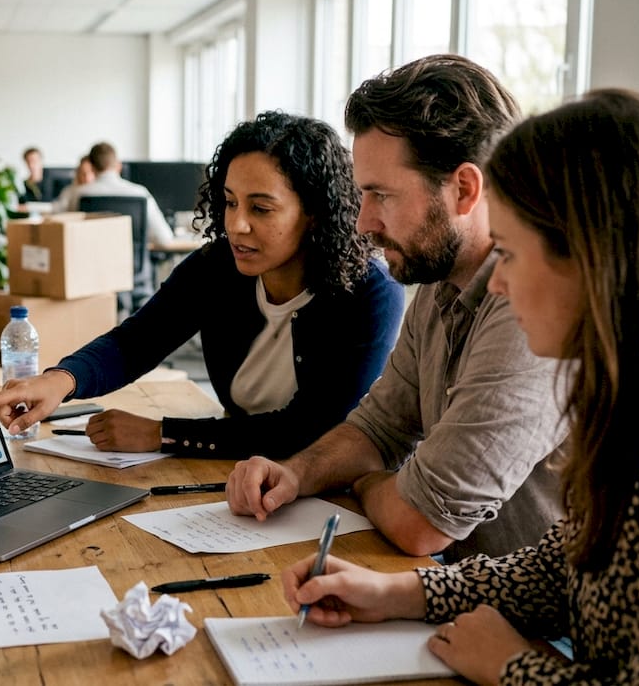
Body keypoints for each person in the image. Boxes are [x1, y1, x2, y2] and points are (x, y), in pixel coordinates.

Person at [282, 88, 639, 685]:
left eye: (512, 254)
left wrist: (515, 669)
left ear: (594, 259)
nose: (497, 285)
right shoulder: (638, 392)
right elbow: (567, 565)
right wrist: (399, 592)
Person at [226, 54, 564, 561]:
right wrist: (296, 473)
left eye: (380, 195)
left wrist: (370, 484)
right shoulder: (437, 281)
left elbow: (422, 523)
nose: (363, 223)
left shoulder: (528, 307)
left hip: (542, 633)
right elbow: (380, 428)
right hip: (453, 594)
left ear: (465, 190)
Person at [0, 111, 404, 459]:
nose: (237, 225)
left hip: (330, 487)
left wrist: (163, 434)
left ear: (314, 214)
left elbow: (310, 430)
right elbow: (136, 340)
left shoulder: (369, 293)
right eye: (230, 202)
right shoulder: (218, 268)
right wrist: (61, 380)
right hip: (238, 470)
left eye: (262, 208)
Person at [51, 141, 176, 247]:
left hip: (91, 269)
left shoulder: (77, 194)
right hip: (134, 272)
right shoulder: (140, 193)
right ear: (118, 165)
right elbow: (164, 239)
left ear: (92, 167)